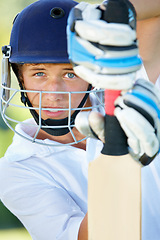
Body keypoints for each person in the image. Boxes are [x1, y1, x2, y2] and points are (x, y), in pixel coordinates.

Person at [0, 1, 160, 240]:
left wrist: (112, 11)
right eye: (39, 73)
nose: (53, 93)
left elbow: (154, 13)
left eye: (70, 73)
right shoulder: (16, 169)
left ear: (90, 74)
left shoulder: (126, 93)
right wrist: (119, 154)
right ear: (19, 78)